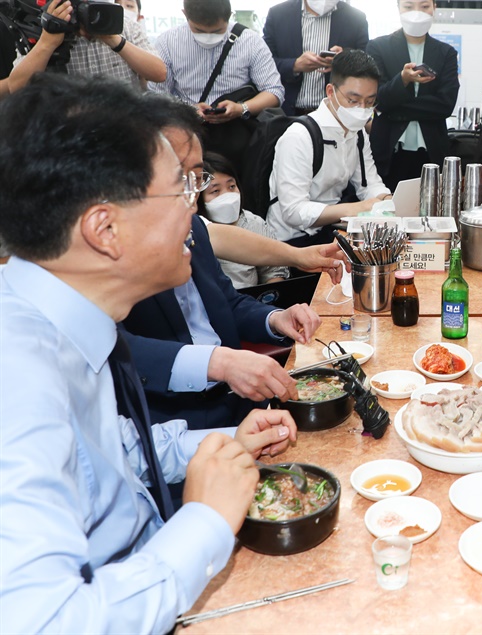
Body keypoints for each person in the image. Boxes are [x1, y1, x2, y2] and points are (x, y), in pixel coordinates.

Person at [0, 74, 297, 632]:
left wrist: (223, 445)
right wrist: (206, 521)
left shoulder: (68, 325)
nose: (196, 212)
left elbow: (109, 459)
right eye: (182, 190)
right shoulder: (16, 379)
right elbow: (44, 621)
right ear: (105, 229)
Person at [122, 93, 321, 431]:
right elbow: (116, 348)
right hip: (177, 420)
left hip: (243, 399)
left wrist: (275, 318)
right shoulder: (113, 249)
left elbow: (226, 302)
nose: (190, 198)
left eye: (195, 178)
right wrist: (217, 363)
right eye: (176, 179)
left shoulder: (195, 226)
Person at [267, 49, 391, 245]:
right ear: (331, 91)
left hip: (330, 230)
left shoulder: (357, 131)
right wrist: (359, 208)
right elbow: (293, 211)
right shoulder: (299, 136)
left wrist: (386, 201)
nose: (361, 109)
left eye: (369, 102)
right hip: (291, 240)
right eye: (353, 100)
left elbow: (369, 184)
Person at [151, 0, 283, 165]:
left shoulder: (250, 41)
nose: (208, 36)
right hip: (186, 137)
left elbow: (274, 91)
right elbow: (156, 96)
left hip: (237, 140)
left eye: (218, 31)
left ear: (229, 16)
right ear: (185, 14)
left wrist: (242, 108)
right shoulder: (167, 42)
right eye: (199, 30)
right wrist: (187, 110)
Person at [366, 0, 459, 190]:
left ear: (434, 8)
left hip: (431, 151)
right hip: (389, 150)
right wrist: (402, 80)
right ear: (398, 9)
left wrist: (394, 110)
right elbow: (378, 99)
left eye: (424, 6)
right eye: (408, 7)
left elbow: (445, 105)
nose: (417, 13)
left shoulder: (446, 52)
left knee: (429, 213)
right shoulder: (378, 47)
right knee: (387, 210)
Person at [5, 0, 165, 93]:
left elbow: (159, 73)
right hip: (75, 134)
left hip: (127, 125)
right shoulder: (48, 30)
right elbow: (16, 87)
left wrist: (113, 40)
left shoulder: (122, 24)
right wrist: (48, 43)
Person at [199, 151, 290, 288]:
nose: (228, 196)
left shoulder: (254, 223)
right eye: (215, 191)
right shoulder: (195, 232)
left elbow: (273, 270)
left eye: (231, 187)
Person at [263, 0, 370, 116]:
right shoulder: (278, 14)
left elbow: (367, 65)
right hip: (287, 113)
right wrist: (295, 65)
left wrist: (344, 60)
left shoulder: (356, 18)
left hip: (335, 115)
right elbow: (264, 64)